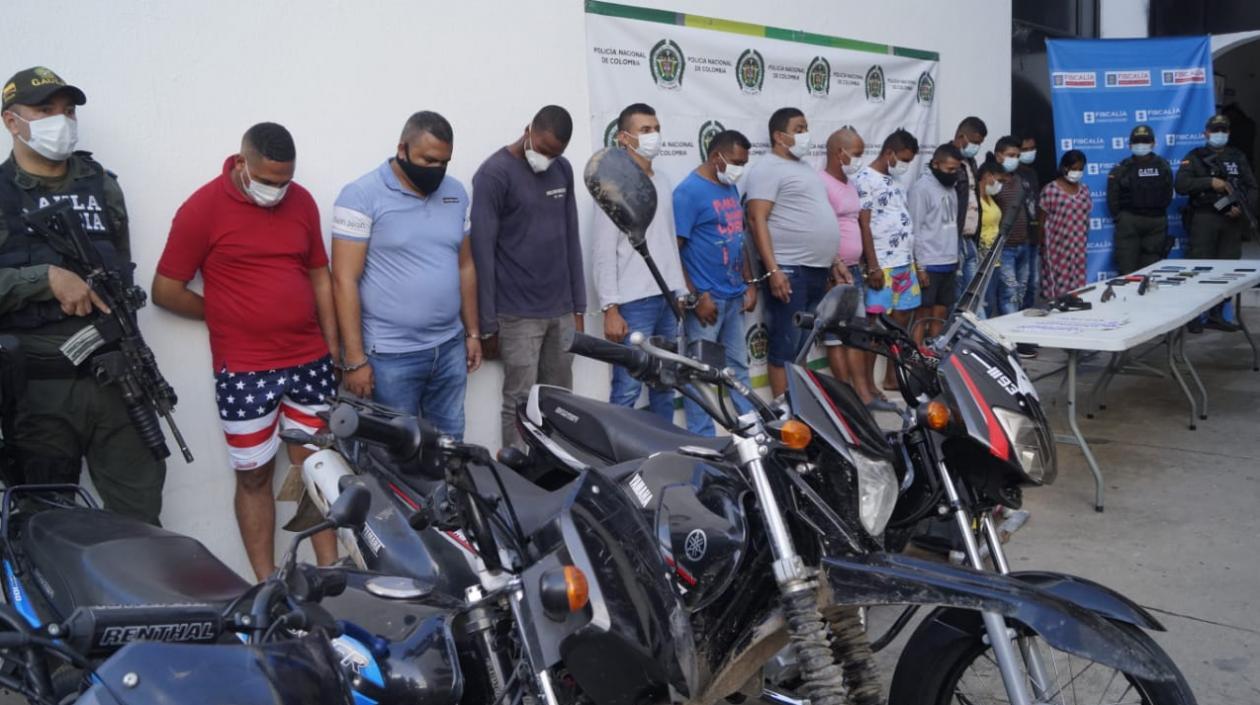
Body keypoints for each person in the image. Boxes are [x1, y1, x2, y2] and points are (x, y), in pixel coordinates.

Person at [153, 123, 339, 579]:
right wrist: (226, 316)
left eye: (285, 181)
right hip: (245, 372)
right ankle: (265, 581)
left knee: (314, 466)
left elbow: (319, 275)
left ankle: (329, 571)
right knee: (254, 475)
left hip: (310, 361)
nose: (278, 190)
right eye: (269, 180)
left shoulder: (302, 201)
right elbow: (165, 290)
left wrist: (333, 348)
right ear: (241, 164)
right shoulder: (202, 209)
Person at [0, 67, 166, 524]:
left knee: (142, 522)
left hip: (118, 382)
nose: (62, 119)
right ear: (12, 122)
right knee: (45, 525)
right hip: (40, 393)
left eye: (68, 110)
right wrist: (45, 278)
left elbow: (119, 270)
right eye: (46, 110)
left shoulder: (102, 185)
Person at [330, 111, 480, 438]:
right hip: (390, 357)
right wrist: (354, 360)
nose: (436, 171)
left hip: (449, 349)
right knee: (394, 459)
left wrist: (472, 333)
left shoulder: (456, 193)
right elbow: (343, 280)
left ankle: (445, 493)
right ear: (402, 149)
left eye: (444, 162)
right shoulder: (360, 195)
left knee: (449, 449)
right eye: (428, 161)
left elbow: (465, 265)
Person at [471, 106, 585, 448]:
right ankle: (517, 479)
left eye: (556, 153)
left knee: (561, 402)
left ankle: (560, 470)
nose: (547, 159)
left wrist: (578, 308)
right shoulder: (493, 175)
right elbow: (482, 253)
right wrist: (488, 324)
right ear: (528, 131)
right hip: (516, 315)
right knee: (519, 401)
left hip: (561, 311)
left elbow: (571, 238)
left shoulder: (562, 169)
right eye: (544, 149)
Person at [746, 107, 848, 397]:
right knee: (786, 345)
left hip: (818, 269)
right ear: (780, 136)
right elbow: (756, 219)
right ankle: (785, 414)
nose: (806, 135)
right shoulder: (766, 168)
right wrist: (774, 270)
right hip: (791, 270)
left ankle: (801, 408)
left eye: (806, 128)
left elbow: (817, 215)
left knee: (803, 344)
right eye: (799, 129)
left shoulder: (804, 168)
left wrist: (835, 260)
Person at [593, 103, 686, 419]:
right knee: (628, 388)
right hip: (633, 303)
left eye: (656, 128)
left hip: (667, 298)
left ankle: (665, 452)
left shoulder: (663, 181)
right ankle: (619, 460)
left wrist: (679, 289)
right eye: (645, 130)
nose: (654, 136)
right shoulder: (612, 186)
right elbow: (604, 251)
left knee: (665, 382)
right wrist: (611, 308)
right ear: (624, 137)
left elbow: (668, 242)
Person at [673, 129, 757, 434]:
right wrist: (695, 297)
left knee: (739, 371)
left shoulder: (728, 186)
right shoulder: (688, 193)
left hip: (733, 296)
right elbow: (675, 251)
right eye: (735, 161)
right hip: (707, 302)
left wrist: (749, 281)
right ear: (715, 157)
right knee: (700, 376)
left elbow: (738, 235)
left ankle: (750, 432)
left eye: (743, 163)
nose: (739, 169)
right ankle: (704, 442)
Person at [818, 127, 886, 409]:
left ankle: (863, 396)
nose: (859, 159)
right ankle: (847, 400)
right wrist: (833, 265)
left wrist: (868, 264)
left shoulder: (850, 183)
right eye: (856, 154)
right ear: (839, 153)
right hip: (835, 271)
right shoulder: (820, 183)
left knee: (856, 335)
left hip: (854, 269)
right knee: (836, 338)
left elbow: (858, 224)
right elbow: (820, 227)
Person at [853, 128, 923, 391]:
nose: (905, 165)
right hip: (882, 265)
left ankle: (893, 377)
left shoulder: (897, 181)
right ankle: (869, 384)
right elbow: (864, 223)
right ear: (889, 153)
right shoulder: (864, 179)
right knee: (876, 326)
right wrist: (873, 266)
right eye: (903, 159)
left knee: (901, 322)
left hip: (905, 262)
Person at [1175, 114, 1259, 332]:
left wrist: (1241, 207)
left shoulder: (1237, 157)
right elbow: (1181, 184)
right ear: (1206, 133)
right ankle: (1193, 316)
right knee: (1199, 267)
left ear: (1228, 133)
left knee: (1226, 269)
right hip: (1205, 218)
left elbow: (1251, 186)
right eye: (1215, 130)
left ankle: (1217, 315)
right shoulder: (1195, 157)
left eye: (1223, 130)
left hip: (1231, 220)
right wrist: (1209, 182)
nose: (1219, 134)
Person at [908, 144, 962, 344]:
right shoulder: (921, 189)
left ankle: (934, 357)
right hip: (929, 262)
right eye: (949, 169)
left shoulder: (951, 187)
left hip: (949, 260)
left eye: (956, 169)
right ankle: (916, 355)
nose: (953, 173)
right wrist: (920, 266)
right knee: (922, 315)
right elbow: (915, 229)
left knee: (940, 313)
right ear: (936, 164)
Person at [1107, 124, 1173, 275]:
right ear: (1130, 145)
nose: (1141, 144)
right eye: (1137, 141)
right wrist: (1123, 218)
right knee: (1126, 270)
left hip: (1156, 223)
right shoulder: (1121, 168)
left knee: (1151, 271)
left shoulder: (1163, 166)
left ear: (1153, 143)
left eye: (1145, 141)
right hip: (1129, 221)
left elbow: (1168, 194)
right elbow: (1113, 198)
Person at [1040, 150, 1092, 300]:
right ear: (1064, 168)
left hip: (1078, 246)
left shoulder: (1085, 191)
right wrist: (1042, 244)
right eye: (1074, 168)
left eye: (1080, 169)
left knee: (1078, 284)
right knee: (1057, 286)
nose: (1077, 172)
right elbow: (1042, 220)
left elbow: (1086, 217)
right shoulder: (1051, 190)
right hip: (1056, 248)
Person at [951, 117, 988, 298]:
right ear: (961, 136)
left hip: (970, 237)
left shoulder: (971, 162)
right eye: (974, 142)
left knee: (972, 294)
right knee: (957, 293)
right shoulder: (948, 160)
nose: (976, 147)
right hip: (955, 239)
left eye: (979, 143)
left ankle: (970, 326)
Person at [973, 159, 1009, 317]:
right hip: (980, 258)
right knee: (983, 303)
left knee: (990, 302)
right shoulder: (975, 199)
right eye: (999, 180)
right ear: (987, 176)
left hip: (995, 258)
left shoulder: (991, 199)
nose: (1000, 185)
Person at [1016, 135, 1042, 306]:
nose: (1029, 153)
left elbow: (1037, 203)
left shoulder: (1032, 173)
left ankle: (1028, 317)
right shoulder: (1012, 174)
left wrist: (1039, 232)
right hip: (1018, 237)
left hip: (1033, 235)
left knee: (1033, 283)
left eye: (1031, 149)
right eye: (1024, 150)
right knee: (1019, 284)